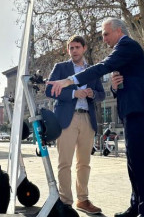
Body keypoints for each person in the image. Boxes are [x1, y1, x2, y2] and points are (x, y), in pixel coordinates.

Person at [47, 18, 144, 217]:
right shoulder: (124, 50)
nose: (104, 39)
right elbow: (123, 83)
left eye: (106, 34)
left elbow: (102, 67)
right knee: (133, 162)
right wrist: (115, 87)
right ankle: (136, 207)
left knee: (140, 162)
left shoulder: (127, 45)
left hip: (139, 108)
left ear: (118, 31)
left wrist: (69, 81)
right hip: (130, 109)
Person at [45, 35, 105, 214]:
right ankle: (65, 202)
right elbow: (49, 90)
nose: (74, 51)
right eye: (71, 48)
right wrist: (73, 94)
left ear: (84, 48)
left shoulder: (93, 70)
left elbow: (102, 95)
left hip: (87, 118)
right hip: (66, 120)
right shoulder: (61, 68)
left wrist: (91, 93)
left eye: (77, 47)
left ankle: (83, 200)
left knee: (84, 163)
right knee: (65, 163)